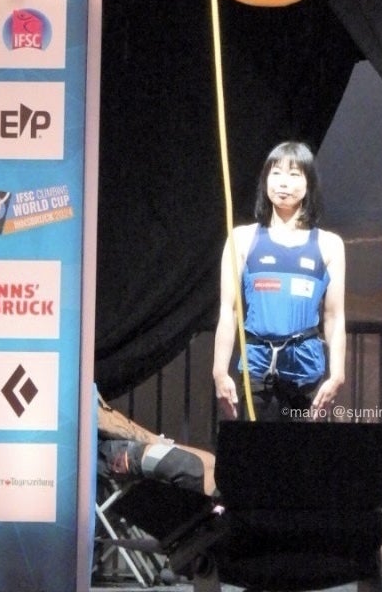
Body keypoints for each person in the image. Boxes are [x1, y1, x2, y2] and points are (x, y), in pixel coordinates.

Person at [212, 141, 345, 422]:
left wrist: (337, 375)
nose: (283, 183)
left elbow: (334, 317)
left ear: (309, 184)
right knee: (255, 446)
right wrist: (219, 372)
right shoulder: (242, 239)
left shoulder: (329, 244)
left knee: (299, 449)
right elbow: (229, 310)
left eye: (294, 174)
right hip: (256, 369)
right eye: (276, 173)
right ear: (265, 181)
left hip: (305, 371)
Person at [97, 395, 216, 496]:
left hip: (111, 438)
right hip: (100, 446)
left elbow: (108, 415)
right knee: (193, 465)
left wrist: (156, 441)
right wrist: (154, 441)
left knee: (209, 464)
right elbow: (103, 421)